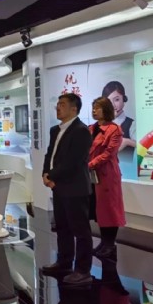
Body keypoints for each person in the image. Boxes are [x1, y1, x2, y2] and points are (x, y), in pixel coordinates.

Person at [42, 93, 93, 286]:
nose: (58, 107)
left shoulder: (81, 131)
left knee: (80, 231)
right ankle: (64, 262)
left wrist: (52, 176)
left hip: (75, 188)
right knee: (62, 227)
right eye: (57, 104)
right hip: (58, 187)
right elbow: (50, 154)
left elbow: (74, 162)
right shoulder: (55, 130)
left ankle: (83, 270)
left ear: (74, 108)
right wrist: (45, 173)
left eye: (62, 104)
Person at [89, 97, 126, 262]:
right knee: (100, 210)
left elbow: (109, 153)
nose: (94, 110)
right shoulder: (91, 128)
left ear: (106, 109)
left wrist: (90, 164)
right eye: (93, 107)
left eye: (97, 108)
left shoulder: (115, 129)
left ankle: (110, 244)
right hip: (93, 174)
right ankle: (104, 243)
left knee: (110, 209)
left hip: (107, 174)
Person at [101, 81, 136, 157]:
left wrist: (127, 142)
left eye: (116, 100)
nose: (113, 105)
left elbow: (144, 147)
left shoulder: (132, 124)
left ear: (124, 99)